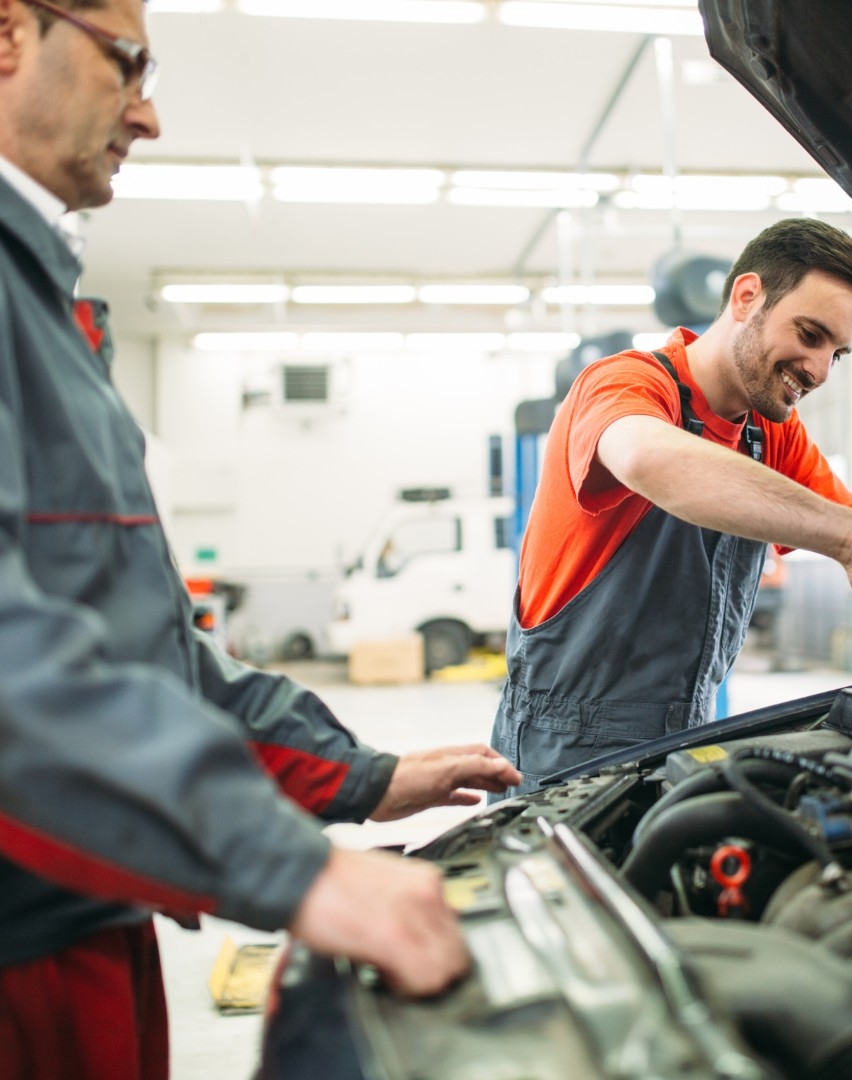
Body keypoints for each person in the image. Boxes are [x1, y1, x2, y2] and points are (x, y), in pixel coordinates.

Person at [0, 1, 521, 1076]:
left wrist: (366, 778)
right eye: (128, 62)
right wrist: (292, 869)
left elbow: (156, 655)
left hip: (85, 907)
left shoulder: (47, 312)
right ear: (8, 35)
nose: (147, 115)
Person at [490, 217, 852, 798]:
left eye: (837, 354)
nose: (818, 371)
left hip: (681, 731)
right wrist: (847, 541)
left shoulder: (770, 435)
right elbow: (646, 456)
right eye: (810, 335)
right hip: (561, 742)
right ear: (746, 297)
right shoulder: (626, 384)